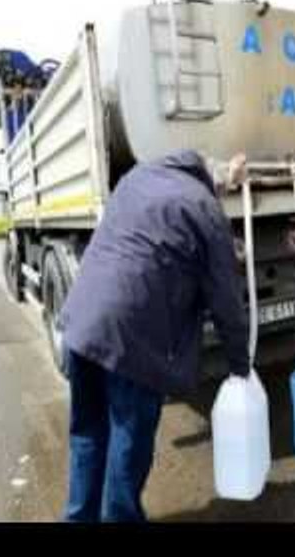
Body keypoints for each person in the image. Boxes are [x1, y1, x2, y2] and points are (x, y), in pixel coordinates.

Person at [59, 149, 250, 523]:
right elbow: (227, 300)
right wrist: (240, 366)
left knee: (88, 433)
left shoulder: (136, 179)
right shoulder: (205, 208)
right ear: (211, 183)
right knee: (128, 443)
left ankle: (78, 517)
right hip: (134, 341)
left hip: (80, 325)